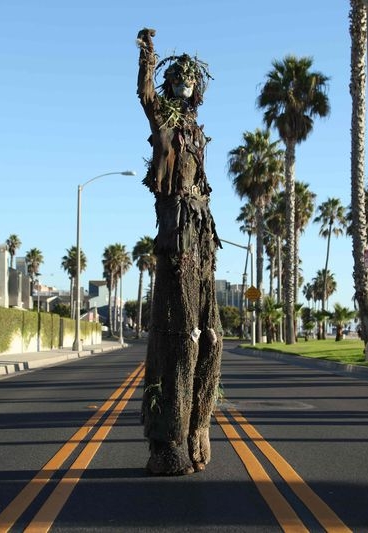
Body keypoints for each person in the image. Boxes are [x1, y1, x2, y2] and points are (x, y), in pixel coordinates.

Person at [136, 28, 223, 476]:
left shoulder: (194, 130)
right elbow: (146, 97)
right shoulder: (165, 125)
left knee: (212, 337)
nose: (185, 83)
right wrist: (147, 58)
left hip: (203, 234)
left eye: (191, 80)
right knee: (183, 339)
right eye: (179, 78)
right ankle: (169, 440)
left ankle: (197, 433)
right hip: (177, 240)